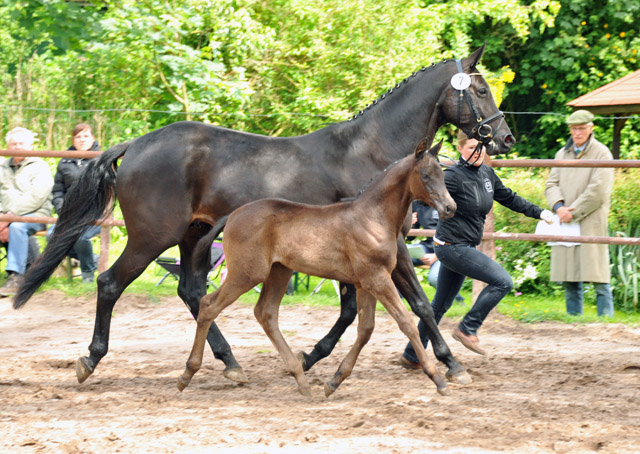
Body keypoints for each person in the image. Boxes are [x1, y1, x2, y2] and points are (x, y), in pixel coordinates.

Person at [399, 130, 553, 366]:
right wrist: (407, 215)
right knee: (503, 282)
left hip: (464, 246)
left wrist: (540, 213)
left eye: (481, 147)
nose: (478, 152)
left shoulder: (487, 174)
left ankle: (412, 355)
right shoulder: (451, 176)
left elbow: (510, 198)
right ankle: (467, 328)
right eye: (471, 147)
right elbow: (421, 190)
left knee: (439, 305)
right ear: (460, 149)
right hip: (451, 246)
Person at [545, 110, 614, 317]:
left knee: (599, 276)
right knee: (570, 275)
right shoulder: (561, 154)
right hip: (566, 220)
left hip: (590, 221)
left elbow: (599, 190)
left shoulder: (602, 153)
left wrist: (572, 212)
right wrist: (558, 207)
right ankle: (574, 321)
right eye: (574, 129)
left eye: (582, 128)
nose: (577, 133)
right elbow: (551, 184)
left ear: (591, 128)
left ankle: (606, 321)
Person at [0, 127, 54, 297]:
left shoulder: (40, 166)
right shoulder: (2, 167)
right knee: (14, 225)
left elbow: (37, 197)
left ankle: (17, 278)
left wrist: (8, 218)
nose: (17, 147)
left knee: (17, 227)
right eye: (13, 143)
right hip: (5, 217)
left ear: (30, 145)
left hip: (36, 214)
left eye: (21, 143)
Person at [49, 123, 102, 283]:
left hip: (95, 214)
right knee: (52, 235)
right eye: (78, 136)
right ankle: (93, 259)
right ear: (73, 140)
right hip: (69, 214)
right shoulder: (65, 161)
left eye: (86, 136)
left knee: (80, 238)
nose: (82, 139)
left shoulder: (102, 159)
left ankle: (88, 274)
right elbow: (58, 191)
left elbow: (110, 190)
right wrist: (62, 209)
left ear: (92, 138)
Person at [409, 200, 464, 303]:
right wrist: (409, 224)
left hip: (448, 248)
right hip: (427, 248)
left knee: (435, 278)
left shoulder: (449, 202)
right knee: (396, 256)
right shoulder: (417, 203)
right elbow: (411, 237)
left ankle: (458, 300)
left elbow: (458, 235)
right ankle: (401, 298)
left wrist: (436, 255)